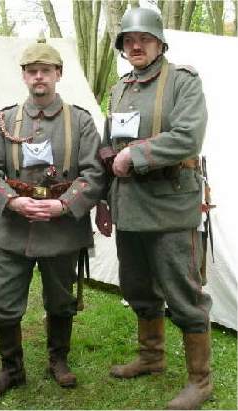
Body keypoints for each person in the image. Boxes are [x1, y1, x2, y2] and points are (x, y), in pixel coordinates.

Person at [96, 6, 213, 410]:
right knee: (137, 287)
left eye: (144, 39)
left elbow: (187, 138)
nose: (136, 46)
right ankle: (151, 356)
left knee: (183, 292)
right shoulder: (119, 87)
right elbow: (109, 149)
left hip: (169, 205)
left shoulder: (183, 81)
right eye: (129, 41)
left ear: (160, 42)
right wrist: (105, 199)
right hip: (129, 204)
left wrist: (138, 155)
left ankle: (201, 380)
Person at [0, 40, 104, 399]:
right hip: (14, 230)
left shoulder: (79, 121)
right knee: (1, 299)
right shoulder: (5, 120)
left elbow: (94, 174)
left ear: (58, 75)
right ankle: (12, 369)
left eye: (45, 70)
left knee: (61, 300)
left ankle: (58, 361)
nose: (38, 76)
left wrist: (63, 205)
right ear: (23, 76)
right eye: (31, 71)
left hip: (62, 231)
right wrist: (13, 202)